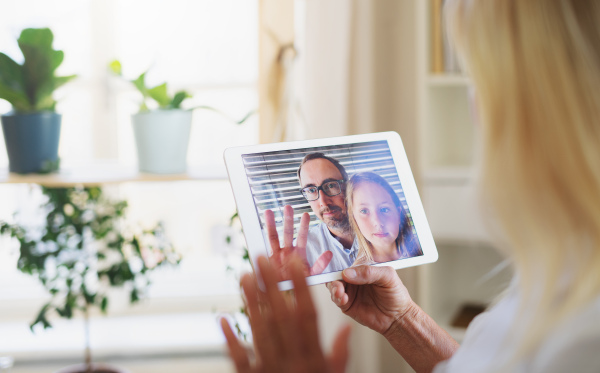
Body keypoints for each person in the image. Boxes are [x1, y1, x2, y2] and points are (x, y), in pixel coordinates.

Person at [221, 0, 600, 372]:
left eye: (481, 79)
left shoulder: (582, 337)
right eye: (311, 190)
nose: (474, 107)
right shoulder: (563, 268)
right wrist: (401, 320)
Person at [266, 153, 359, 280]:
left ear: (348, 186)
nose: (323, 202)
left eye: (331, 185)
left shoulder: (382, 230)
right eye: (311, 190)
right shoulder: (298, 255)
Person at [346, 172, 422, 265]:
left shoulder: (422, 253)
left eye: (384, 209)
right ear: (354, 217)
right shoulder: (357, 274)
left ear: (398, 213)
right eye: (364, 211)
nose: (377, 222)